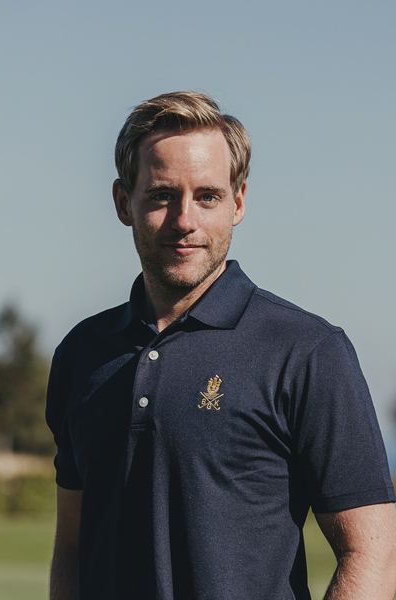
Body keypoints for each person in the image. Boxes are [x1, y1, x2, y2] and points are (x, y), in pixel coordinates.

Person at [46, 91, 396, 600]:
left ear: (238, 203)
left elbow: (374, 555)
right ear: (124, 202)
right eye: (162, 195)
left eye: (207, 196)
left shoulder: (307, 351)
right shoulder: (82, 353)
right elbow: (72, 550)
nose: (185, 220)